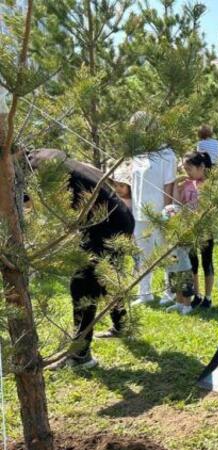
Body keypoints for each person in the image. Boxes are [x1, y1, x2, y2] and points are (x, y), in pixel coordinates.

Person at [28, 149, 135, 368]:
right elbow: (90, 169)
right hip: (119, 215)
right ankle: (121, 324)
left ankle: (80, 355)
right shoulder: (46, 153)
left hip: (104, 224)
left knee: (82, 285)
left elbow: (28, 205)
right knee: (105, 276)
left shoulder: (34, 168)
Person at [128, 111, 177, 306]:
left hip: (159, 211)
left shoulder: (167, 153)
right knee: (142, 252)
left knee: (164, 251)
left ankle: (170, 292)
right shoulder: (137, 152)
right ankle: (145, 292)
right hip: (139, 212)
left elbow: (169, 183)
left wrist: (166, 212)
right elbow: (133, 182)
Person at [179, 150, 215, 309]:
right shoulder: (187, 183)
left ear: (201, 167)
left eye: (189, 169)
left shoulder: (210, 184)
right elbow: (182, 202)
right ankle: (197, 294)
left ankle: (208, 297)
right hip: (190, 229)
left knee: (206, 262)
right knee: (193, 263)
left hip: (206, 230)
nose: (187, 173)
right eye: (185, 169)